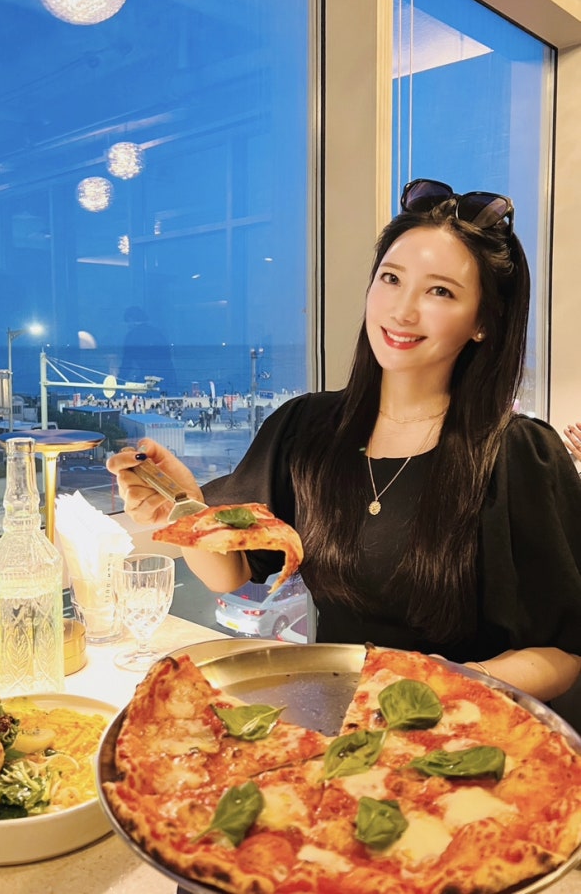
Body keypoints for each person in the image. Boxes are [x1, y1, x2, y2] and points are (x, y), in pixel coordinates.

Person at [107, 179, 581, 704]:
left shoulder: (518, 455)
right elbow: (231, 572)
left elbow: (564, 653)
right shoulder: (306, 429)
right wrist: (182, 507)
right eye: (391, 278)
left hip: (467, 729)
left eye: (440, 291)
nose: (402, 311)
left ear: (483, 323)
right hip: (336, 717)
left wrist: (445, 685)